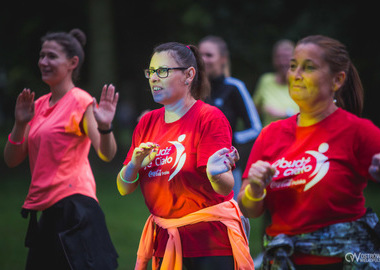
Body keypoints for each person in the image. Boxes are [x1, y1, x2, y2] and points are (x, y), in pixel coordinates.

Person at [238, 35, 380, 269]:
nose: (295, 74)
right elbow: (248, 209)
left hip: (342, 263)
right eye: (293, 66)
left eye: (309, 67)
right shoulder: (271, 134)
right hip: (284, 261)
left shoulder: (357, 131)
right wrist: (254, 188)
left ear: (337, 80)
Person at [117, 42, 254, 270]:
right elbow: (123, 188)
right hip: (165, 243)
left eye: (162, 71)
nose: (153, 78)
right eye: (150, 72)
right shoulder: (147, 122)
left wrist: (215, 174)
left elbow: (224, 188)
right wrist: (133, 165)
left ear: (189, 75)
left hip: (209, 245)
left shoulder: (209, 118)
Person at [4, 29, 119, 269]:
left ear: (72, 63)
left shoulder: (80, 100)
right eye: (41, 56)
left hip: (75, 208)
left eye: (51, 56)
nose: (43, 62)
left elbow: (106, 153)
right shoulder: (37, 105)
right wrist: (20, 123)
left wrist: (105, 126)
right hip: (48, 211)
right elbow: (12, 160)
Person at [198, 35, 262, 202]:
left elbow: (255, 127)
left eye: (209, 55)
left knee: (231, 221)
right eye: (200, 55)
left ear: (223, 59)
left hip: (227, 169)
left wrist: (230, 140)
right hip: (195, 170)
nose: (203, 60)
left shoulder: (234, 87)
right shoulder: (191, 89)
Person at [253, 39, 299, 127]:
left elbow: (312, 115)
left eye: (286, 57)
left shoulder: (303, 83)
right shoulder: (266, 81)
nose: (282, 62)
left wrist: (285, 113)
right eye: (279, 57)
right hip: (269, 138)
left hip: (297, 138)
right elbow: (254, 111)